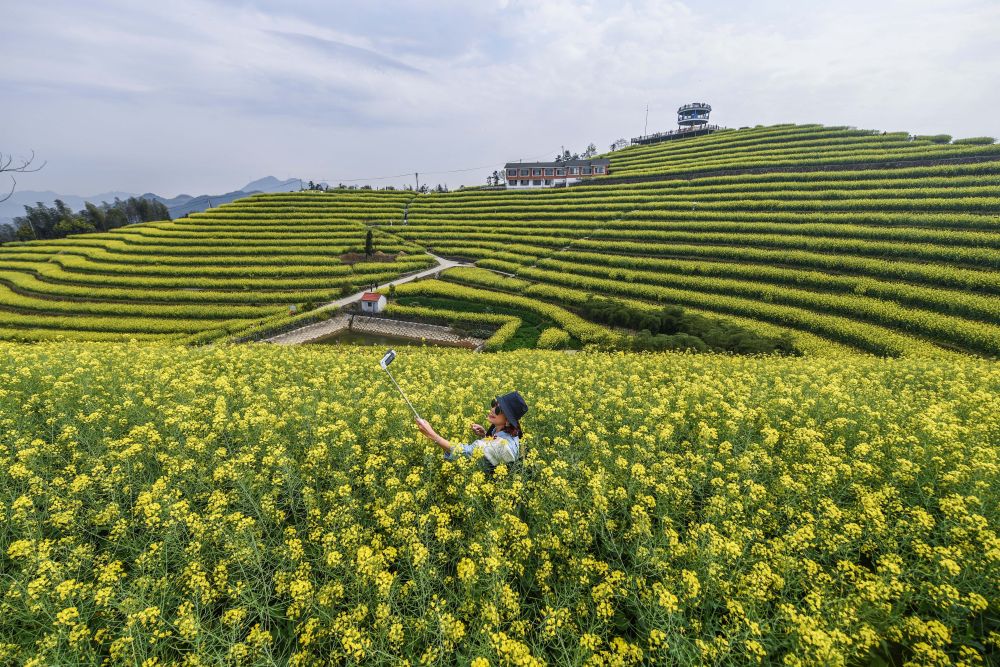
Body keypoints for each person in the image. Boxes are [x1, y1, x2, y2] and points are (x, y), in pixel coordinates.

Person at [415, 391, 529, 474]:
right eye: (494, 404)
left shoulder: (502, 444)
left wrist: (432, 435)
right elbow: (494, 448)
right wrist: (485, 435)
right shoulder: (509, 432)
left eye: (499, 410)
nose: (493, 409)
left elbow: (466, 452)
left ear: (508, 420)